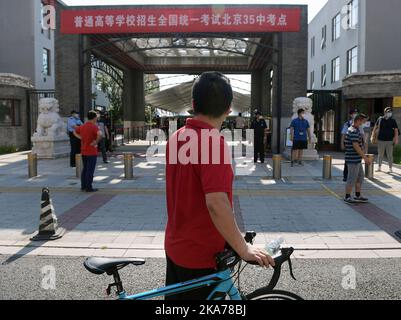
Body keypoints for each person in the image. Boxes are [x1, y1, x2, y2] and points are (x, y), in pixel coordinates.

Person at [165, 72, 274, 300]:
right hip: (202, 254)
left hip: (176, 245)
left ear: (193, 104)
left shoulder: (177, 137)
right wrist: (243, 249)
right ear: (229, 108)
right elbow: (216, 202)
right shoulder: (213, 144)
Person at [344, 114, 371, 204]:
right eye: (363, 121)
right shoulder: (353, 131)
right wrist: (365, 158)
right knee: (352, 178)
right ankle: (347, 196)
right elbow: (355, 146)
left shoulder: (356, 130)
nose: (363, 123)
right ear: (358, 120)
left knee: (360, 177)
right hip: (352, 159)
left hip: (357, 159)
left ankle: (357, 195)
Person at [74, 111, 102, 193]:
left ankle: (83, 186)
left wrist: (80, 138)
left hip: (83, 151)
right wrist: (96, 142)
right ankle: (89, 187)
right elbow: (100, 135)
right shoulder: (94, 127)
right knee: (90, 170)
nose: (97, 118)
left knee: (85, 169)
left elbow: (74, 132)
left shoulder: (82, 126)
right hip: (92, 152)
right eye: (96, 117)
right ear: (94, 118)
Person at [376, 107, 399, 173]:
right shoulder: (380, 119)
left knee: (390, 155)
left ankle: (390, 168)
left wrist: (396, 139)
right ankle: (379, 167)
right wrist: (374, 136)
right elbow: (376, 128)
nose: (389, 113)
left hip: (390, 140)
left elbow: (396, 130)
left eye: (390, 112)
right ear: (385, 112)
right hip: (381, 140)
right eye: (388, 111)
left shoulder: (393, 120)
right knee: (380, 154)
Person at [341, 109, 361, 181]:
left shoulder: (360, 123)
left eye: (356, 113)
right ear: (350, 115)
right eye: (354, 113)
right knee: (347, 161)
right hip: (349, 145)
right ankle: (345, 176)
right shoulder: (347, 124)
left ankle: (356, 176)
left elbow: (362, 134)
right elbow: (343, 134)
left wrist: (364, 143)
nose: (355, 114)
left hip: (358, 145)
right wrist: (342, 143)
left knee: (357, 161)